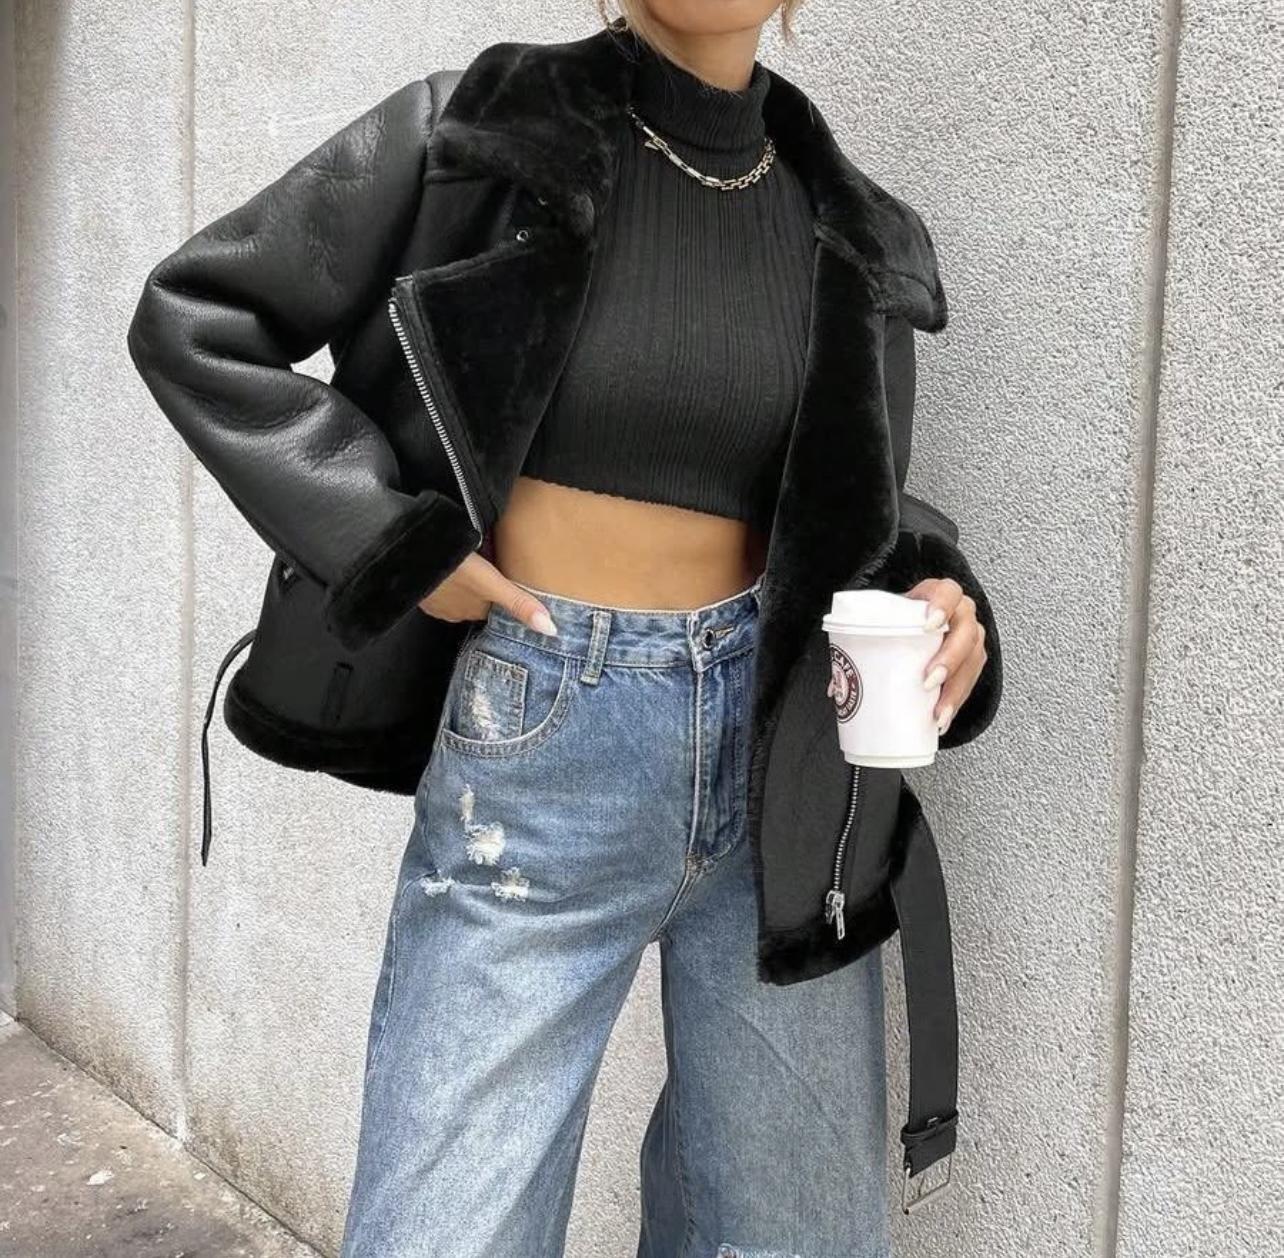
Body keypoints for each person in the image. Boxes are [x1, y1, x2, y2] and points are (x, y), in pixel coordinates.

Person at [126, 3, 1002, 1255]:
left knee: (791, 1237)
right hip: (544, 748)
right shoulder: (480, 134)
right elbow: (199, 317)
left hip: (786, 772)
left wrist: (939, 597)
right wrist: (394, 542)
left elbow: (851, 515)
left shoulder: (855, 233)